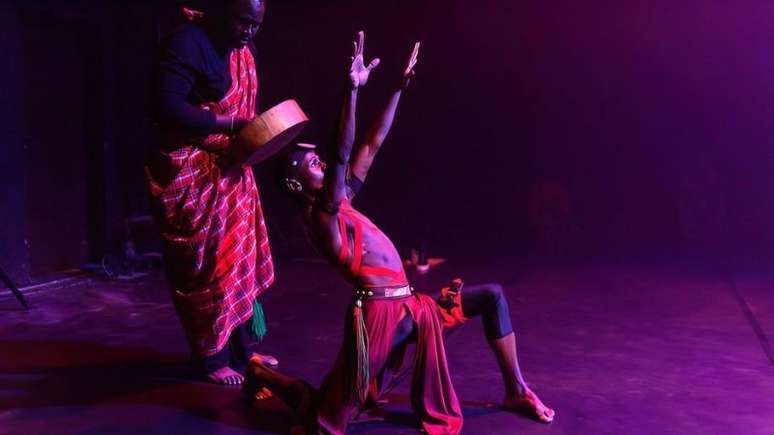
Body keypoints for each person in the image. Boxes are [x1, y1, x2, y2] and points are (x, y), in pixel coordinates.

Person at [245, 32, 554, 434]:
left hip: (412, 307)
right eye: (312, 164)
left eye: (320, 161)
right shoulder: (320, 220)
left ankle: (517, 389)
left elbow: (369, 147)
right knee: (323, 415)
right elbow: (341, 154)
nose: (322, 164)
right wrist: (351, 90)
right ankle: (262, 375)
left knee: (492, 297)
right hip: (378, 319)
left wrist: (395, 89)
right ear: (294, 184)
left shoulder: (341, 203)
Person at [146, 0, 276, 388]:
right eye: (242, 22)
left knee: (237, 260)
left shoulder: (243, 52)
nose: (249, 33)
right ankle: (210, 358)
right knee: (210, 265)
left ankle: (243, 351)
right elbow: (166, 107)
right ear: (221, 11)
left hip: (229, 165)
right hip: (190, 167)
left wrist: (242, 136)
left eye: (256, 26)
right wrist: (231, 122)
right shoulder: (187, 43)